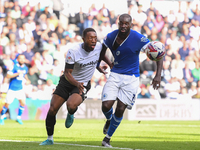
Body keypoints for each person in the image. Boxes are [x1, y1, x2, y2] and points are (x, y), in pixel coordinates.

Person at [98, 14, 164, 147]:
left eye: (126, 24)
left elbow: (158, 52)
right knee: (106, 105)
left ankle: (107, 139)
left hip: (131, 78)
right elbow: (101, 52)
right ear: (118, 23)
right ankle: (109, 119)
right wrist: (108, 64)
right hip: (115, 74)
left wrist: (158, 75)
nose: (123, 26)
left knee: (121, 109)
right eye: (121, 23)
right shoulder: (111, 36)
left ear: (130, 24)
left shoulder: (138, 38)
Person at [39, 28, 108, 146]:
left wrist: (99, 67)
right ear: (83, 39)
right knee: (52, 109)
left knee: (71, 105)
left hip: (83, 83)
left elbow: (96, 58)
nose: (93, 40)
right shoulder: (73, 51)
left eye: (95, 38)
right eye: (90, 38)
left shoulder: (99, 47)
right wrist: (76, 83)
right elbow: (67, 73)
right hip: (68, 81)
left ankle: (71, 114)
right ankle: (49, 138)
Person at [0, 54, 30, 125]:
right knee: (7, 105)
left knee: (22, 102)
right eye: (20, 58)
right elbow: (8, 75)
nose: (22, 60)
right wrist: (17, 73)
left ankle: (18, 117)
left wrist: (27, 79)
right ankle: (1, 117)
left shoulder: (25, 68)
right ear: (17, 59)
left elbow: (24, 74)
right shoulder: (14, 66)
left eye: (23, 58)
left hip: (20, 89)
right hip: (12, 89)